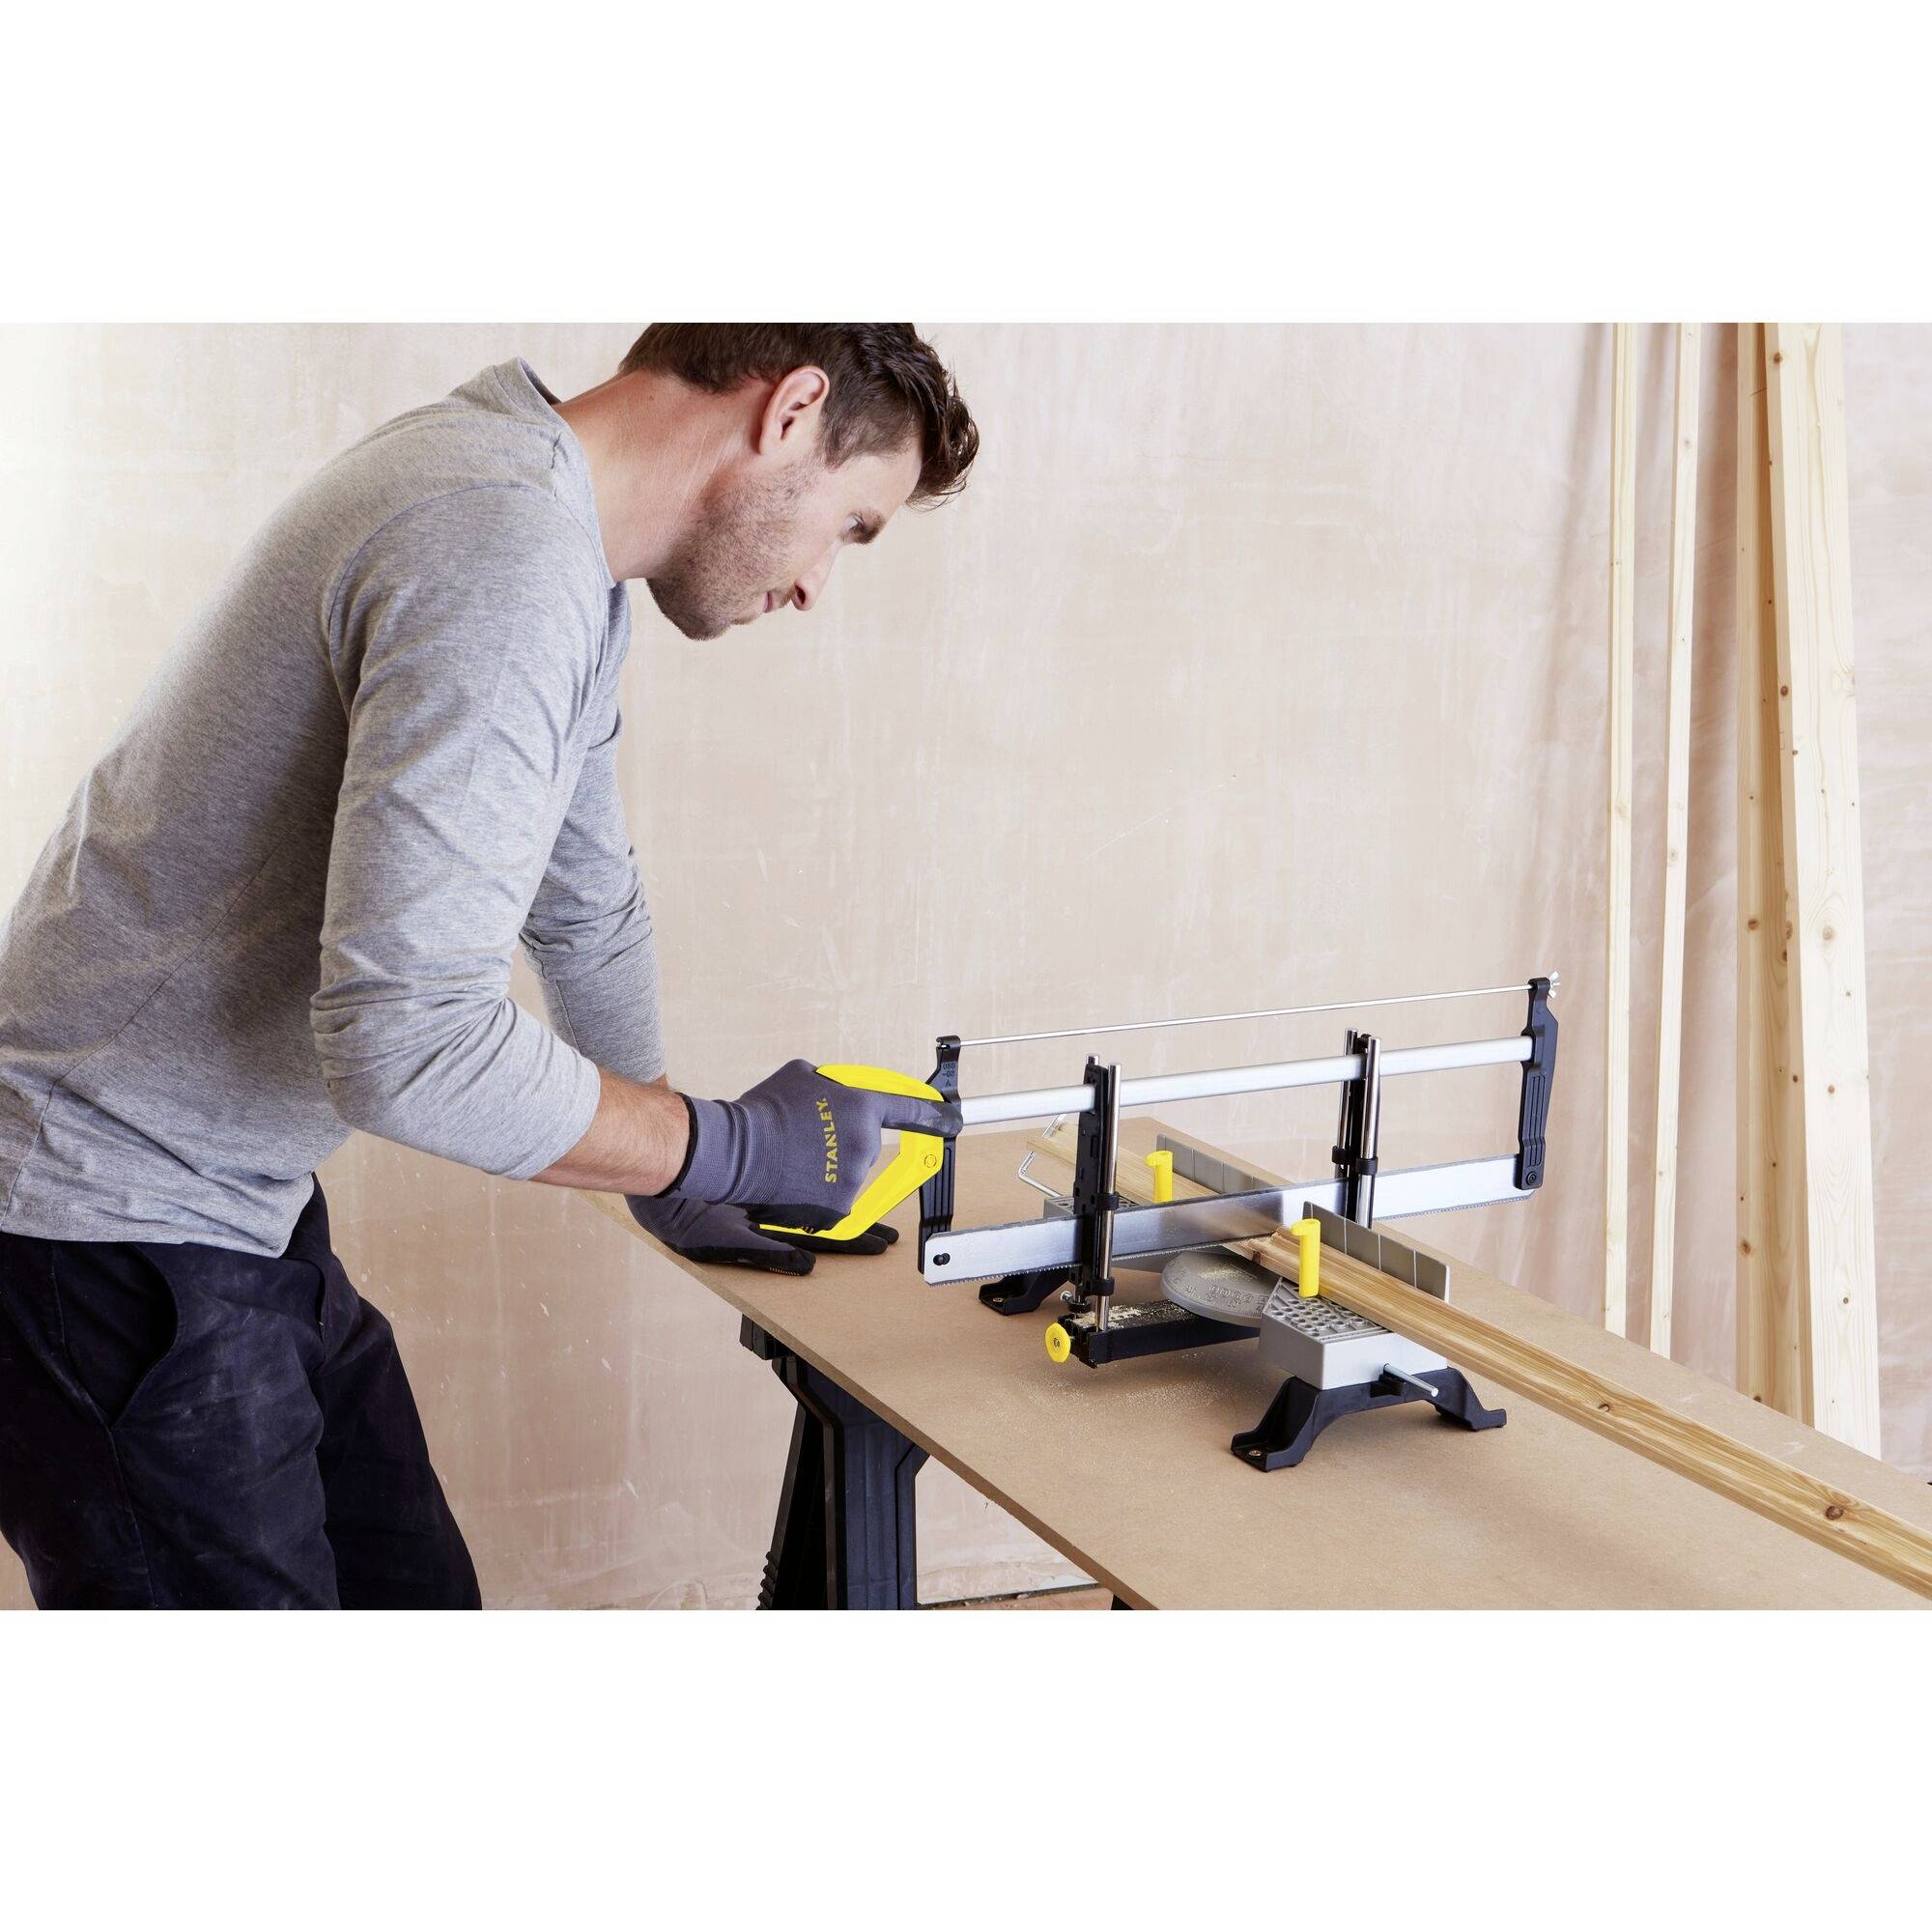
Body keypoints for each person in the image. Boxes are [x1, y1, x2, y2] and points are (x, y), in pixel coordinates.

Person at [0, 324, 979, 1608]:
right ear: (790, 412)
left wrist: (671, 1175)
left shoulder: (540, 534)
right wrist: (723, 1147)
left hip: (224, 1206)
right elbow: (408, 1045)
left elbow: (585, 907)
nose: (814, 587)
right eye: (850, 528)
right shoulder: (501, 551)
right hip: (102, 1233)